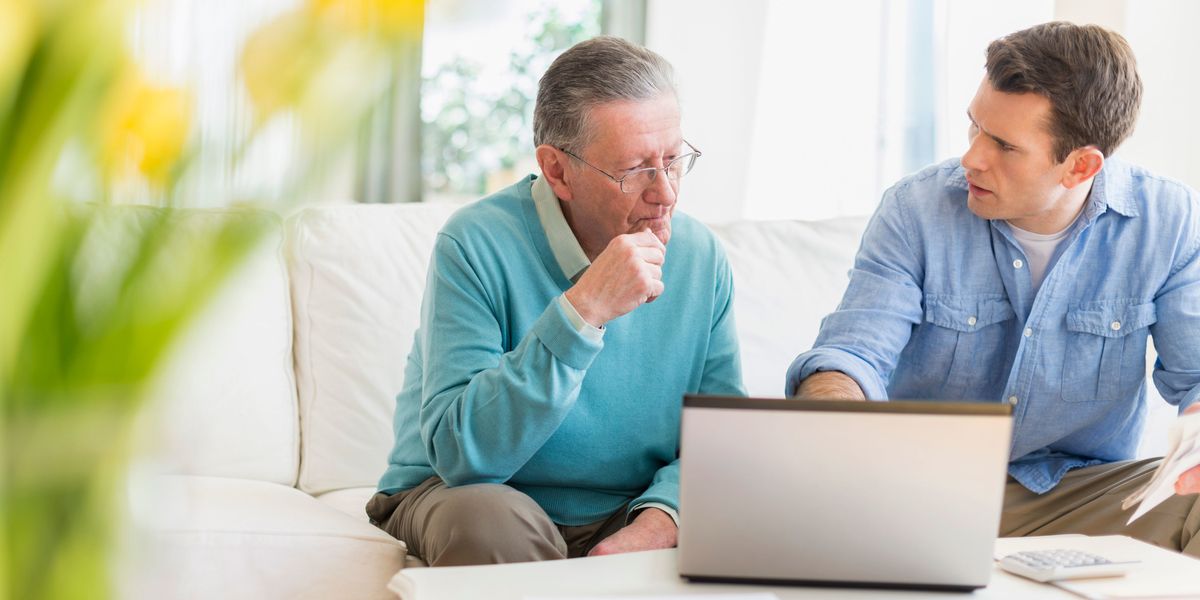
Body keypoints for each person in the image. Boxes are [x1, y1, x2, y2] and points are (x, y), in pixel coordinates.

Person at [786, 21, 1200, 555]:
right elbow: (854, 352)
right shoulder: (915, 210)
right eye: (974, 127)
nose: (972, 158)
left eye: (1004, 145)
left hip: (1077, 496)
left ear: (1081, 166)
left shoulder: (1167, 220)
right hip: (917, 494)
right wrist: (834, 416)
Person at [366, 36, 744, 566]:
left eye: (675, 160)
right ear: (558, 170)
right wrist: (582, 312)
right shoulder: (474, 242)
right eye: (635, 169)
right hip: (464, 494)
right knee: (490, 525)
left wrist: (663, 518)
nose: (665, 193)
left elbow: (722, 437)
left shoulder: (701, 257)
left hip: (628, 507)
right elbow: (462, 457)